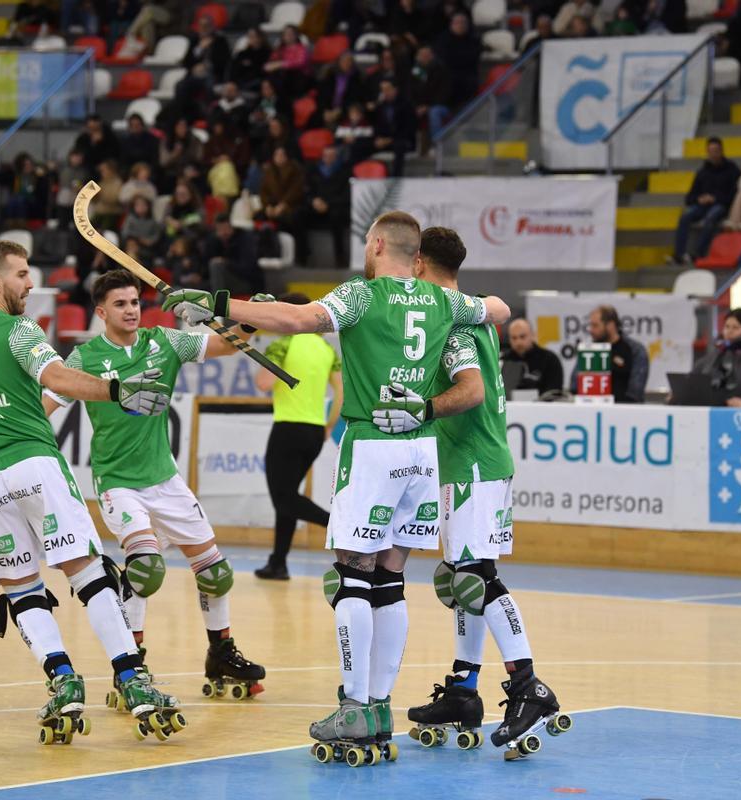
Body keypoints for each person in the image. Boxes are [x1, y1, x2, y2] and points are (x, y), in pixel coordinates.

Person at [160, 211, 510, 759]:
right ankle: (379, 704)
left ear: (375, 244)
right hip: (422, 450)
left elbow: (299, 319)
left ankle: (354, 706)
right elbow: (498, 308)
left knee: (352, 576)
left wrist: (219, 302)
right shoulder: (445, 302)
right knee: (391, 578)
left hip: (372, 446)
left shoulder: (362, 295)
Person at [0, 240, 176, 741]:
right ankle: (133, 678)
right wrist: (118, 389)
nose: (31, 284)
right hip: (34, 464)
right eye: (22, 275)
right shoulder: (19, 329)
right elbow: (60, 378)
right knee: (86, 571)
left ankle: (63, 680)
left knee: (21, 585)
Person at [44, 268, 268, 704]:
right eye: (121, 304)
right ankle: (132, 662)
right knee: (146, 569)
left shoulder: (163, 342)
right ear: (101, 311)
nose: (131, 311)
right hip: (118, 484)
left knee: (216, 573)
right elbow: (44, 406)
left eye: (135, 303)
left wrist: (253, 317)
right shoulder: (83, 359)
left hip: (165, 480)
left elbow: (225, 342)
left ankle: (220, 652)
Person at [407, 226, 564, 754]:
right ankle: (464, 689)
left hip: (473, 462)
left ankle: (528, 685)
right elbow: (494, 307)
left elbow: (470, 390)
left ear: (421, 263)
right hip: (468, 461)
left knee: (475, 578)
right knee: (459, 579)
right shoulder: (469, 309)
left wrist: (420, 408)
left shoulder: (451, 318)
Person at [253, 292, 342, 581]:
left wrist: (275, 364)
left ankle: (336, 525)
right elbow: (341, 392)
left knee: (283, 497)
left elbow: (264, 384)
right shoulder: (326, 349)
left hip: (287, 429)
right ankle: (278, 563)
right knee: (287, 495)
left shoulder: (283, 343)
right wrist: (328, 425)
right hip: (315, 432)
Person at [670, 137, 741, 266]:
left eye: (716, 150)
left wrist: (715, 198)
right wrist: (699, 199)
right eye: (711, 151)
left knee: (711, 217)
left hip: (722, 204)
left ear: (721, 151)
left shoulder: (732, 170)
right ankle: (679, 254)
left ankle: (698, 253)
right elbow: (689, 197)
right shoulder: (703, 172)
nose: (713, 154)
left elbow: (734, 195)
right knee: (685, 217)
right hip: (703, 205)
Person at [571, 305, 649, 403]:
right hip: (588, 409)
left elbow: (635, 392)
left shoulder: (635, 350)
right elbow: (574, 384)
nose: (591, 330)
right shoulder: (588, 350)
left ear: (610, 325)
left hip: (624, 411)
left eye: (595, 325)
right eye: (590, 325)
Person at [306, 145, 353, 267]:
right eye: (326, 155)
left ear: (336, 157)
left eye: (332, 156)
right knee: (298, 215)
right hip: (316, 206)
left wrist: (328, 203)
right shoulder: (314, 171)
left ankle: (340, 257)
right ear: (322, 157)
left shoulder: (345, 172)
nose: (329, 158)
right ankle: (304, 256)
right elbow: (308, 191)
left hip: (336, 207)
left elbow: (346, 196)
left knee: (336, 217)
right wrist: (313, 201)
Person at [502, 318, 563, 395]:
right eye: (514, 338)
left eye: (522, 336)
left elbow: (554, 391)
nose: (518, 342)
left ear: (533, 335)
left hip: (542, 406)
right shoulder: (503, 361)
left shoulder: (550, 359)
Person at [372, 80, 416, 178]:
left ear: (395, 90)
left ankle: (395, 178)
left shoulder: (406, 105)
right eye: (382, 90)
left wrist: (390, 139)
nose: (385, 92)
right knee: (361, 144)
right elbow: (376, 126)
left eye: (387, 89)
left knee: (399, 146)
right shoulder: (380, 107)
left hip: (402, 140)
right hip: (384, 141)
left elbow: (409, 129)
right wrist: (378, 138)